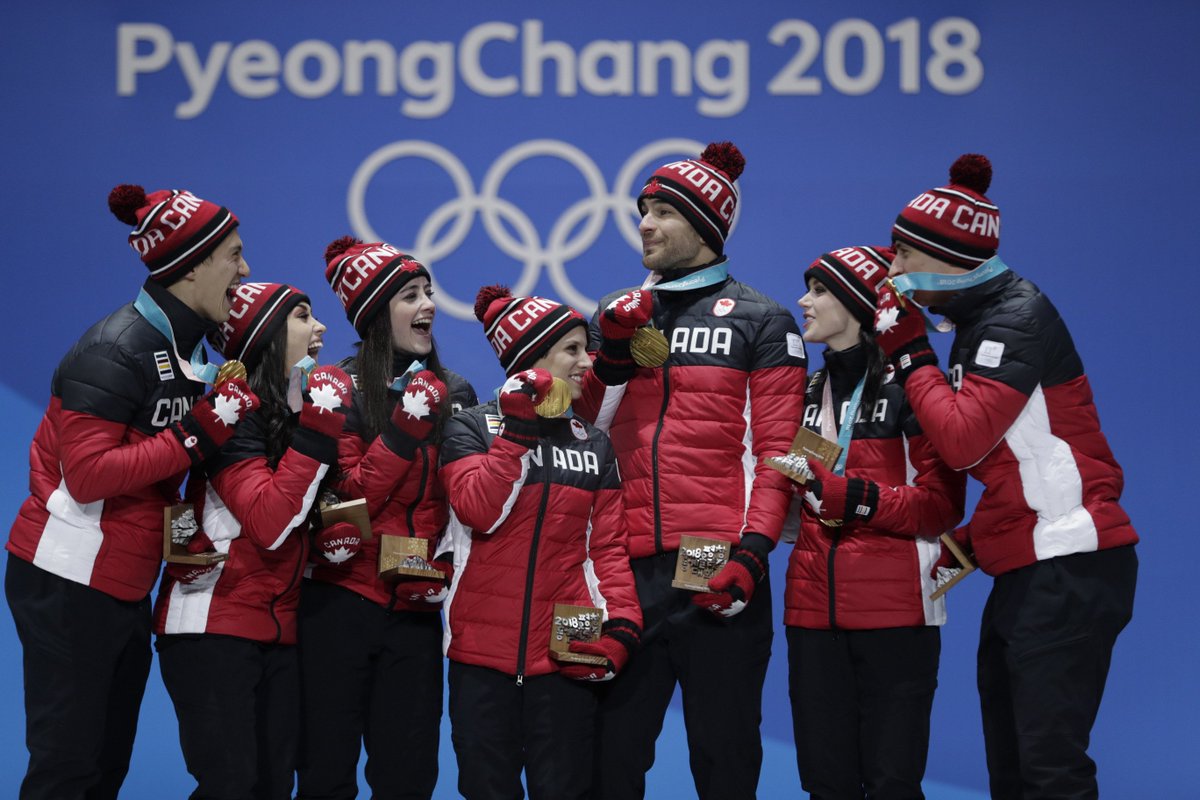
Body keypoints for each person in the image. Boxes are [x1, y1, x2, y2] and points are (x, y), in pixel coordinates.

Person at [875, 154, 1138, 798]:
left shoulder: (1016, 318)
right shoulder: (977, 322)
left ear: (945, 260)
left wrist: (911, 353)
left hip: (1069, 563)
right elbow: (1019, 472)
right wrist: (959, 551)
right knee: (1013, 772)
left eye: (903, 256)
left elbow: (963, 443)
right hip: (1030, 565)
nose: (892, 272)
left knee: (1049, 771)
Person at [5, 183, 257, 799]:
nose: (245, 271)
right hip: (68, 578)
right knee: (69, 768)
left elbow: (159, 477)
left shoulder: (190, 346)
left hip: (122, 579)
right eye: (233, 256)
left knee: (107, 766)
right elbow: (88, 474)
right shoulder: (113, 349)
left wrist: (183, 533)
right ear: (191, 265)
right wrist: (198, 434)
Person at [576, 141, 808, 799]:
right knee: (605, 763)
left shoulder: (763, 321)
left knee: (724, 760)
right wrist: (610, 358)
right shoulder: (614, 315)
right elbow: (581, 431)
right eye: (642, 210)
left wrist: (753, 554)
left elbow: (779, 455)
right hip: (623, 570)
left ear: (705, 226)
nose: (644, 224)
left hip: (716, 560)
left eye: (663, 213)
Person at [437, 285, 643, 800]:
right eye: (572, 349)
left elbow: (607, 551)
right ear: (532, 360)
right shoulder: (471, 429)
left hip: (564, 659)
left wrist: (621, 627)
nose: (586, 360)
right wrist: (517, 435)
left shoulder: (594, 443)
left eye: (587, 347)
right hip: (480, 661)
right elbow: (479, 514)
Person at [151, 282, 350, 799]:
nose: (322, 328)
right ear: (265, 336)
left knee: (271, 786)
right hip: (211, 624)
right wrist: (317, 435)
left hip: (277, 629)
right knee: (232, 786)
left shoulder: (294, 412)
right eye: (304, 316)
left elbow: (308, 511)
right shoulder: (232, 413)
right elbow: (266, 521)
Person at [296, 237, 477, 800]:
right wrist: (404, 426)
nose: (428, 305)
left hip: (417, 610)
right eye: (408, 295)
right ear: (375, 313)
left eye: (428, 291)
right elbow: (345, 500)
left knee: (409, 778)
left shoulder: (458, 392)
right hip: (339, 604)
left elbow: (468, 504)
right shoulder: (335, 387)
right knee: (326, 773)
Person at [785, 246, 966, 799]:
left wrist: (859, 499)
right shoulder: (811, 390)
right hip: (812, 617)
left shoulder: (914, 386)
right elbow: (804, 497)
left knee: (892, 784)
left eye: (818, 290)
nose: (804, 301)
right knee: (824, 784)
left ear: (856, 302)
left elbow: (940, 506)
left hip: (898, 615)